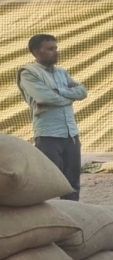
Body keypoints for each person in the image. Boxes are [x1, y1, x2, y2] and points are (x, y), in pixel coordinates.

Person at [17, 34, 87, 201]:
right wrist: (69, 96)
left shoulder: (62, 73)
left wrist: (59, 92)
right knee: (49, 181)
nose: (55, 52)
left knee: (72, 182)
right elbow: (44, 97)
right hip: (48, 134)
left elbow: (83, 92)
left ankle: (71, 213)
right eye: (50, 49)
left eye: (55, 48)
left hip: (71, 133)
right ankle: (49, 215)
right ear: (36, 52)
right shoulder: (28, 73)